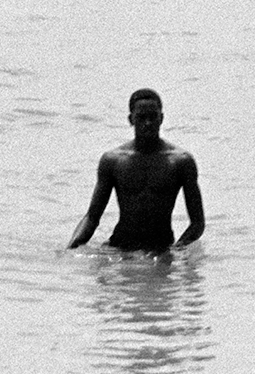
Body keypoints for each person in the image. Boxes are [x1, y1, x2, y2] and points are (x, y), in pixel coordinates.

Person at [68, 88, 205, 252]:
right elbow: (92, 217)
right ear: (131, 119)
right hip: (119, 247)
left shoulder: (181, 162)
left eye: (153, 117)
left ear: (161, 118)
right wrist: (71, 248)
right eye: (141, 117)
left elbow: (197, 223)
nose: (147, 123)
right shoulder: (113, 161)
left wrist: (177, 249)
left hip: (160, 248)